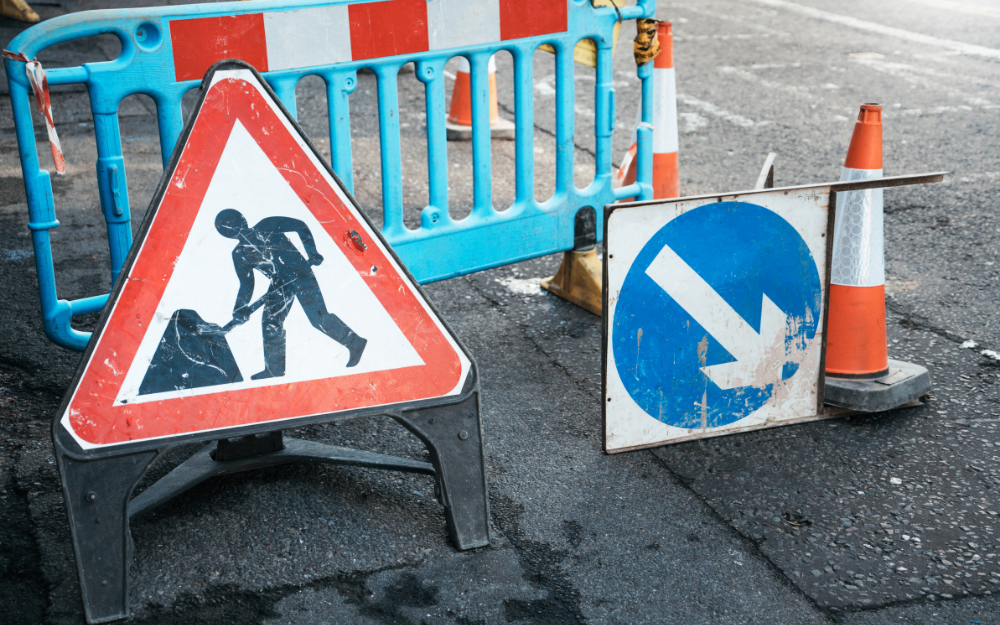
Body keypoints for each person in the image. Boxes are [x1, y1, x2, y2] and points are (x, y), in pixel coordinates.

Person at [215, 209, 366, 380]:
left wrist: (312, 252)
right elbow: (246, 284)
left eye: (233, 224)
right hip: (279, 284)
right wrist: (240, 308)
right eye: (227, 228)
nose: (234, 229)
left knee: (318, 318)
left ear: (242, 220)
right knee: (271, 323)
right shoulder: (239, 254)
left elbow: (300, 226)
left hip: (301, 273)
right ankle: (274, 369)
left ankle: (355, 342)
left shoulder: (267, 225)